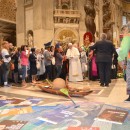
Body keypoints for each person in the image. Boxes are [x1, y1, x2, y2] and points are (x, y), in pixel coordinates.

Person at [118, 22, 130, 102]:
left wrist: (119, 59)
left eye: (124, 30)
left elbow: (124, 50)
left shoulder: (128, 36)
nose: (123, 33)